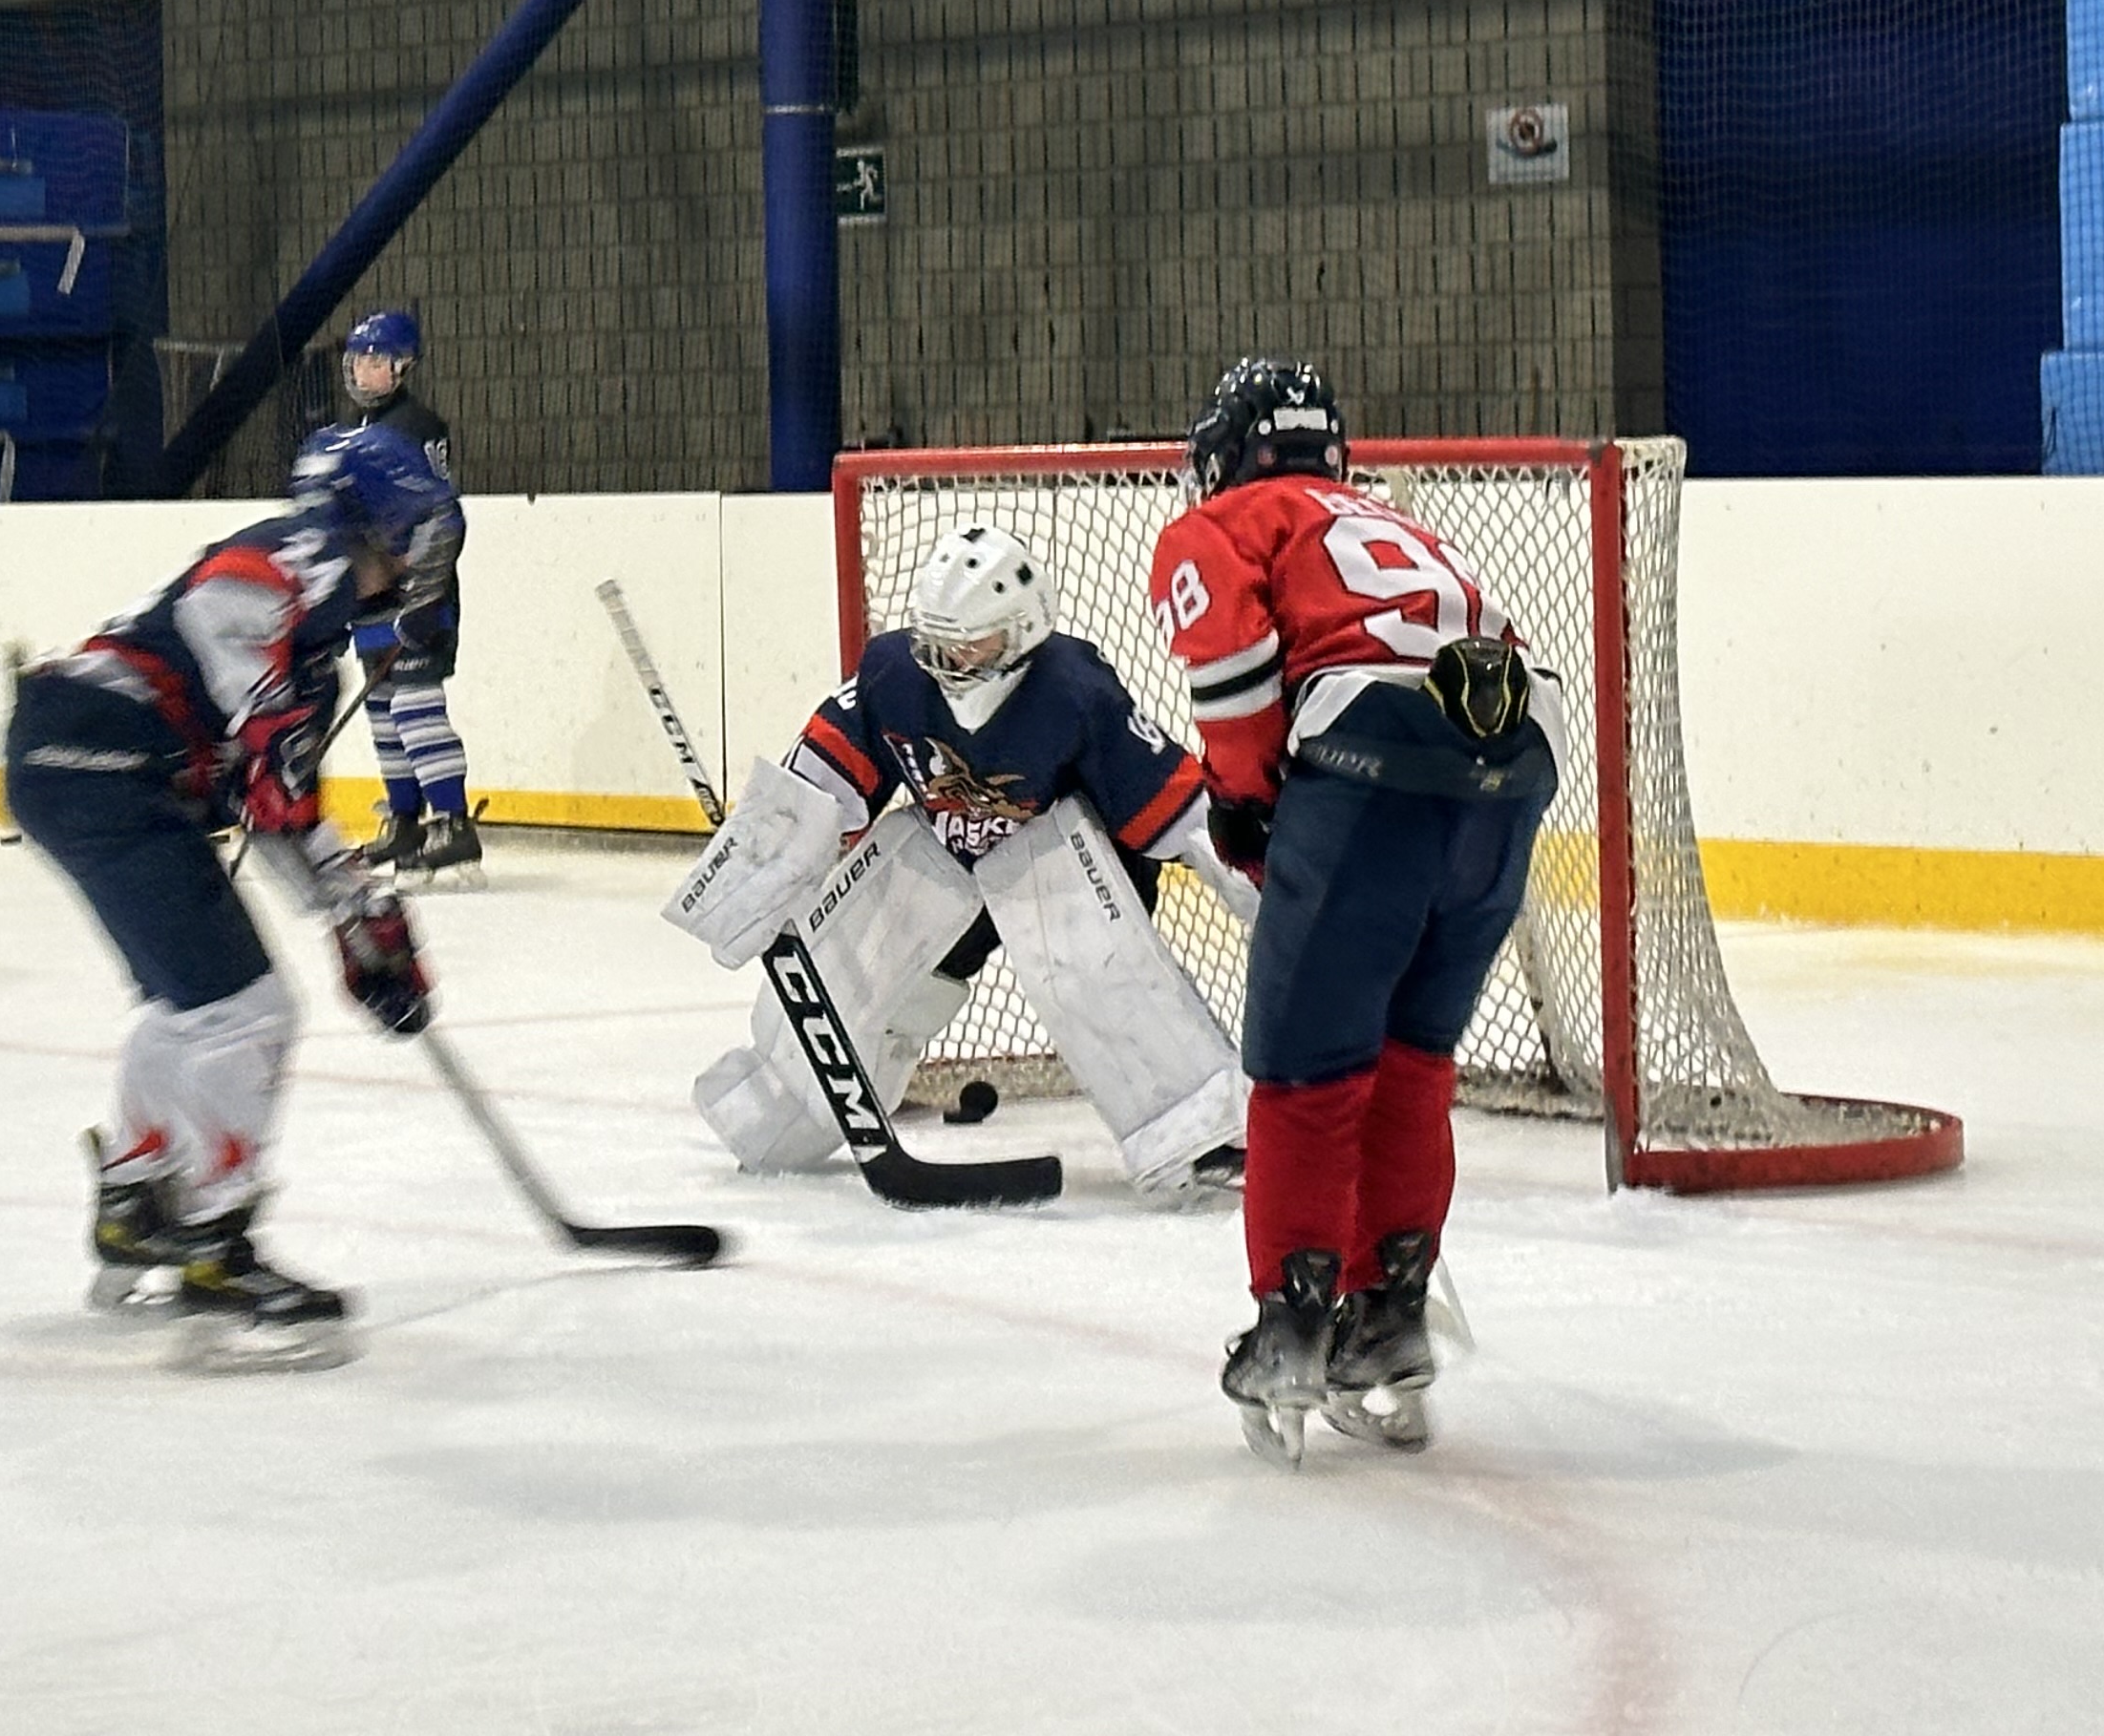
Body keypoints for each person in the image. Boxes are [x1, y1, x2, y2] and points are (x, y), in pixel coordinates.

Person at [1149, 358, 1558, 1462]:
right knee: (1411, 1060)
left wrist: (1244, 800)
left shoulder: (1223, 521)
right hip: (1512, 773)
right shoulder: (1395, 520)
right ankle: (1388, 1318)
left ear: (1226, 456)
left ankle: (1292, 1329)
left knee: (1306, 1066)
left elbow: (1234, 670)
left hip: (1372, 763)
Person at [2, 422, 457, 1366]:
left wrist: (356, 913)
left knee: (190, 1006)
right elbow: (227, 624)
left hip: (75, 764)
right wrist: (267, 735)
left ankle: (135, 1204)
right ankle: (214, 1238)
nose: (421, 556)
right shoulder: (293, 565)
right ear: (376, 522)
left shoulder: (315, 638)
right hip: (100, 764)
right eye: (414, 532)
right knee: (247, 1012)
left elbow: (276, 802)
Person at [659, 525, 1251, 1201]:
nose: (951, 660)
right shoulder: (893, 674)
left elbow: (1179, 810)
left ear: (1022, 631)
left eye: (972, 643)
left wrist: (1268, 890)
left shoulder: (1076, 691)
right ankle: (786, 1108)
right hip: (952, 852)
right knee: (858, 947)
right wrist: (757, 874)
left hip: (1071, 870)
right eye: (939, 641)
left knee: (1082, 954)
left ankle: (1197, 1129)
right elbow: (816, 782)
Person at [306, 309, 478, 877]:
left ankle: (452, 823)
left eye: (375, 360)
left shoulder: (416, 426)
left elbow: (438, 517)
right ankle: (405, 823)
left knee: (413, 705)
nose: (362, 369)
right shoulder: (350, 431)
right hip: (371, 600)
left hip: (418, 596)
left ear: (403, 367)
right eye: (357, 359)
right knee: (382, 713)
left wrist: (426, 597)